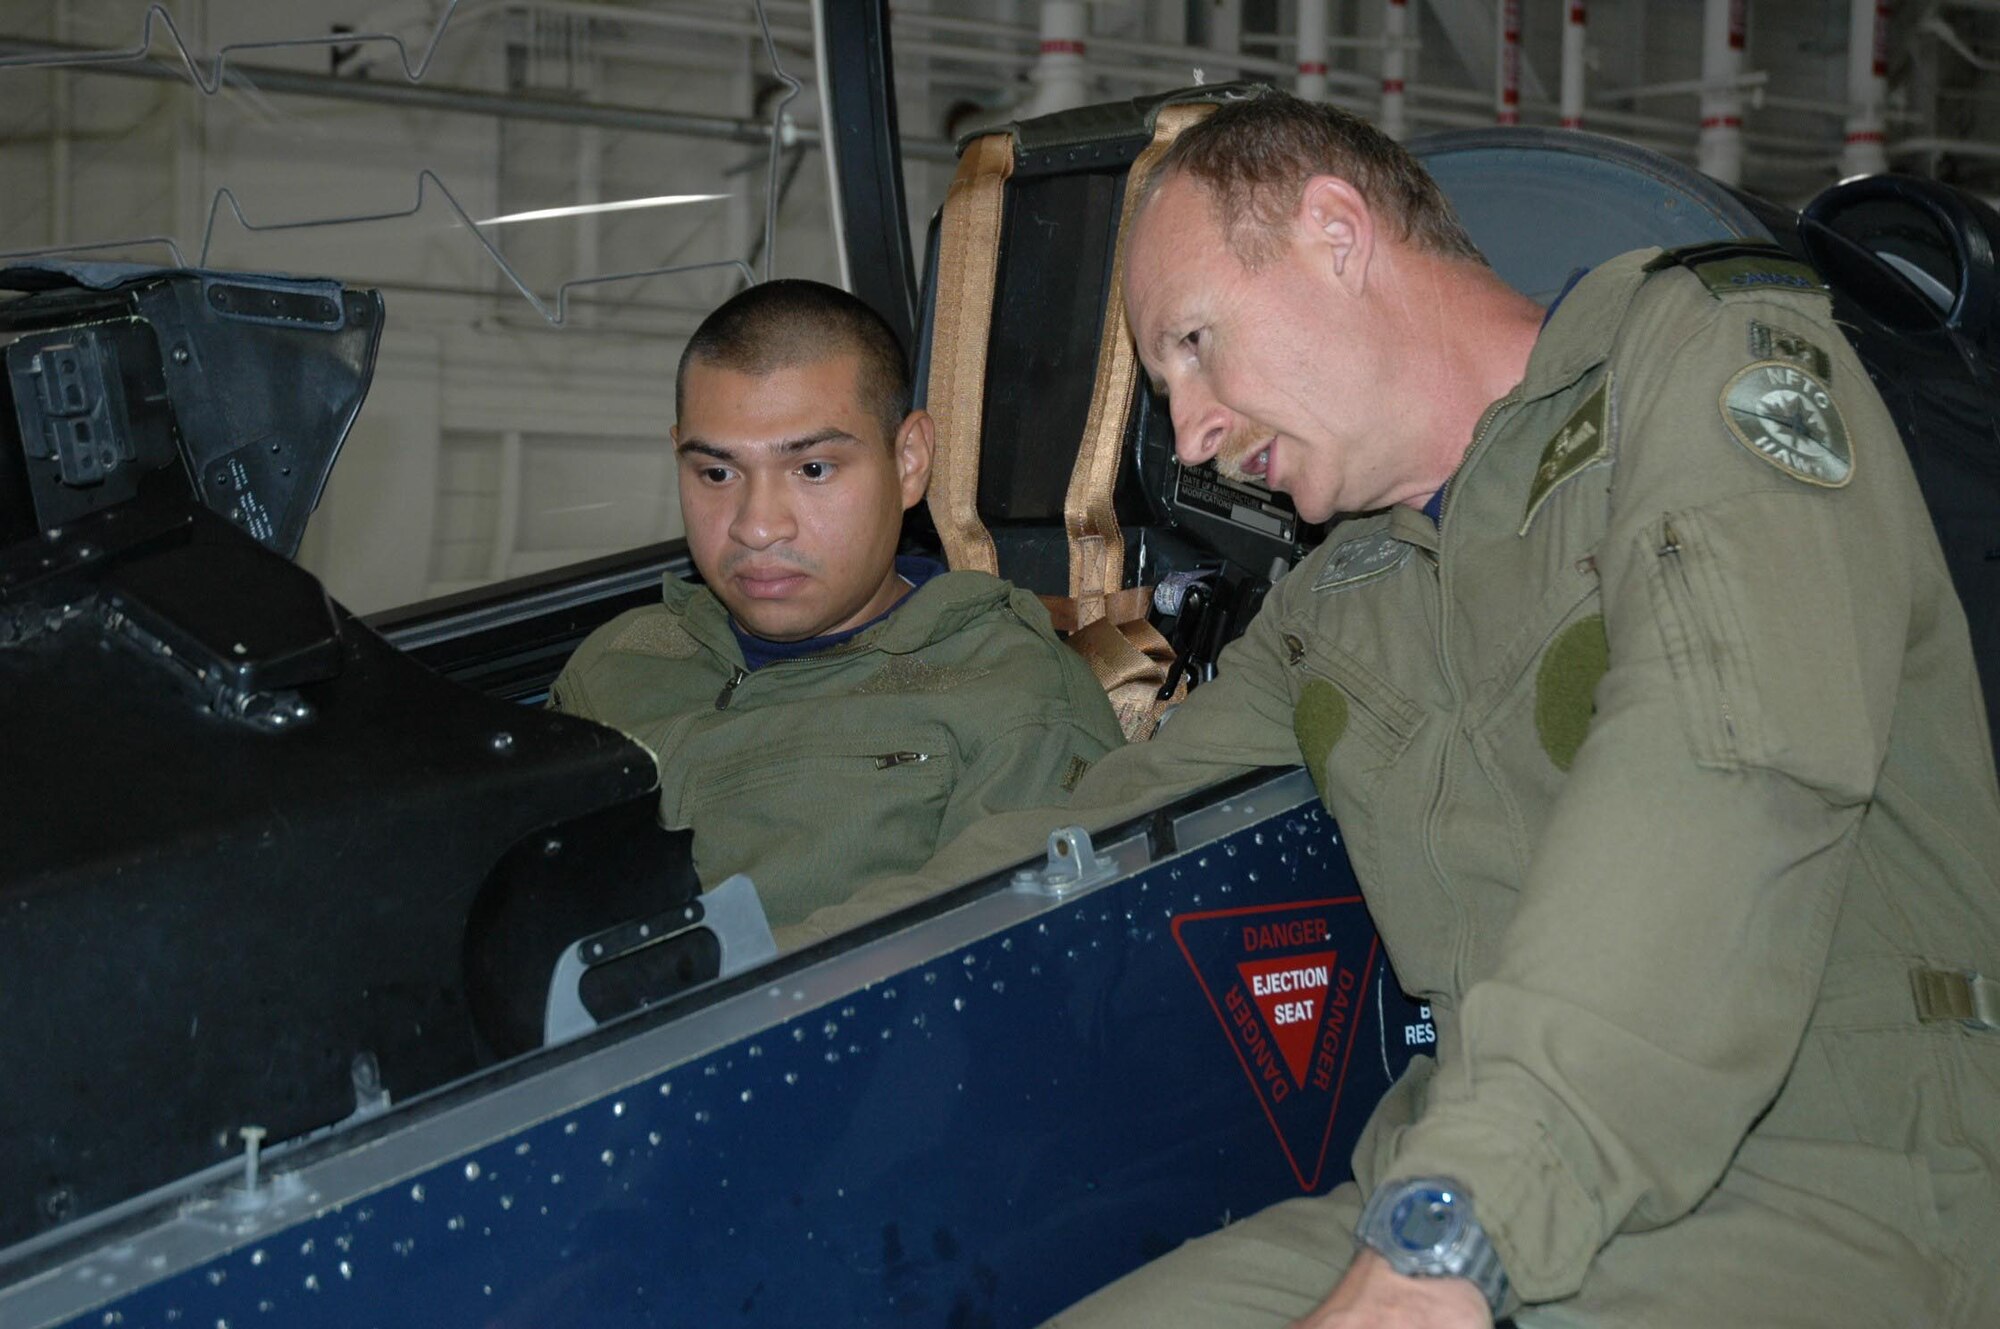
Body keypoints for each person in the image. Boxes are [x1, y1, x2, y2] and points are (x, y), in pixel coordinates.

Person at [993, 95, 1997, 1326]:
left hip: (1841, 1167)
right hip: (1465, 1166)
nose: (1191, 434)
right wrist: (757, 953)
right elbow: (1086, 837)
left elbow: (1722, 777)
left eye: (1195, 343)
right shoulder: (1335, 599)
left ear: (1336, 235)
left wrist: (1455, 1234)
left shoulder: (1698, 361)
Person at [549, 279, 1124, 933]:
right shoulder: (617, 662)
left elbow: (998, 981)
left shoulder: (1013, 700)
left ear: (909, 461)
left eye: (813, 469)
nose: (757, 527)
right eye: (716, 473)